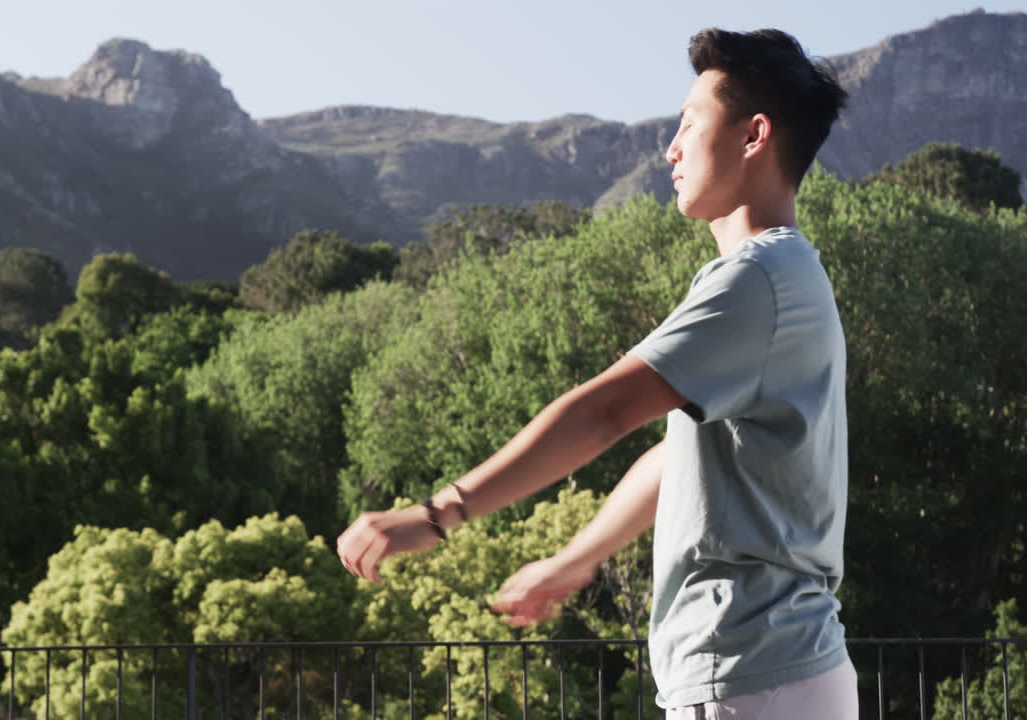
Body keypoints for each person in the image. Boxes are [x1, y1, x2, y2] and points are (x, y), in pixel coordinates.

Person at [337, 27, 855, 719]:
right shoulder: (778, 276)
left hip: (752, 675)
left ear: (753, 135)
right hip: (768, 675)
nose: (670, 147)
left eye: (690, 123)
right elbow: (680, 457)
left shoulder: (759, 277)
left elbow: (601, 412)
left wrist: (437, 514)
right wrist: (576, 561)